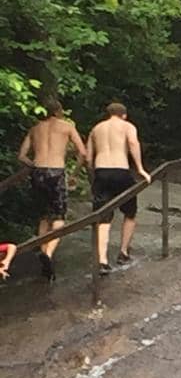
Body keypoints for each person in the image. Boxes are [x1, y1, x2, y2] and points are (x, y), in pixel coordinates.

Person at [17, 96, 87, 276]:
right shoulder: (67, 127)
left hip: (38, 172)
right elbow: (83, 152)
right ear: (59, 111)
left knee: (43, 216)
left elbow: (22, 156)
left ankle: (42, 249)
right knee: (59, 217)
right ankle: (48, 252)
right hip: (56, 172)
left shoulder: (35, 129)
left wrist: (32, 165)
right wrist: (74, 174)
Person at [85, 102, 151, 275]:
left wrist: (91, 176)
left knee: (103, 217)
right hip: (121, 171)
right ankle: (123, 251)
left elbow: (88, 157)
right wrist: (140, 168)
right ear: (124, 114)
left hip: (101, 172)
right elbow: (133, 143)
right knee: (130, 213)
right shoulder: (127, 126)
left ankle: (102, 260)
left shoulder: (96, 129)